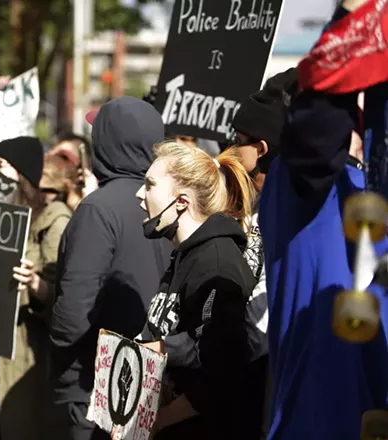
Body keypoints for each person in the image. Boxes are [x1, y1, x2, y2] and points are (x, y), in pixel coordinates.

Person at [259, 1, 388, 438]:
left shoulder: (369, 188)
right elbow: (316, 133)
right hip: (318, 425)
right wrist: (351, 22)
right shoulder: (298, 185)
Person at [49, 96, 173, 440]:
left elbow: (74, 309)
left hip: (95, 386)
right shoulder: (171, 202)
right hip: (149, 381)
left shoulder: (98, 210)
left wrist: (60, 359)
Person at [132, 140, 262, 440]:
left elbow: (223, 369)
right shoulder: (185, 254)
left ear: (181, 202)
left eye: (150, 185)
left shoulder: (215, 264)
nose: (140, 194)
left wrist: (160, 420)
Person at [0, 136, 71, 440]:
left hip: (25, 351)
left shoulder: (54, 220)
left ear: (23, 173)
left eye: (1, 166)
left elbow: (62, 295)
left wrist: (35, 284)